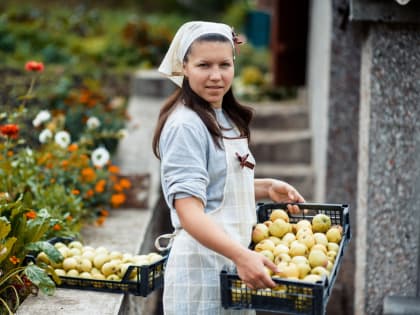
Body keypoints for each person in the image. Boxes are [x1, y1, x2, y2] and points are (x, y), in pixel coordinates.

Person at [152, 21, 305, 315]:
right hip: (202, 272)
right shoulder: (186, 125)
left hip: (232, 268)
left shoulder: (223, 116)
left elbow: (216, 189)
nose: (215, 76)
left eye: (224, 64)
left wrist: (265, 187)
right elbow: (189, 211)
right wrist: (241, 255)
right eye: (203, 65)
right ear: (184, 67)